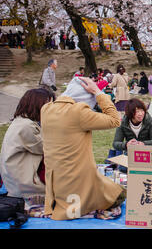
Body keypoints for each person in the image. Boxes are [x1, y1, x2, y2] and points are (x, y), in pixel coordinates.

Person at [40, 77, 124, 220]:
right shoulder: (78, 111)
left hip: (55, 183)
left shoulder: (46, 109)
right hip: (76, 182)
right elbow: (115, 119)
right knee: (118, 193)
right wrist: (98, 92)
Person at [0, 89, 55, 204]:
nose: (51, 110)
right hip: (24, 186)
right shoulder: (27, 127)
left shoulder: (22, 121)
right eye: (48, 105)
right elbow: (50, 148)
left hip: (15, 181)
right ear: (37, 105)